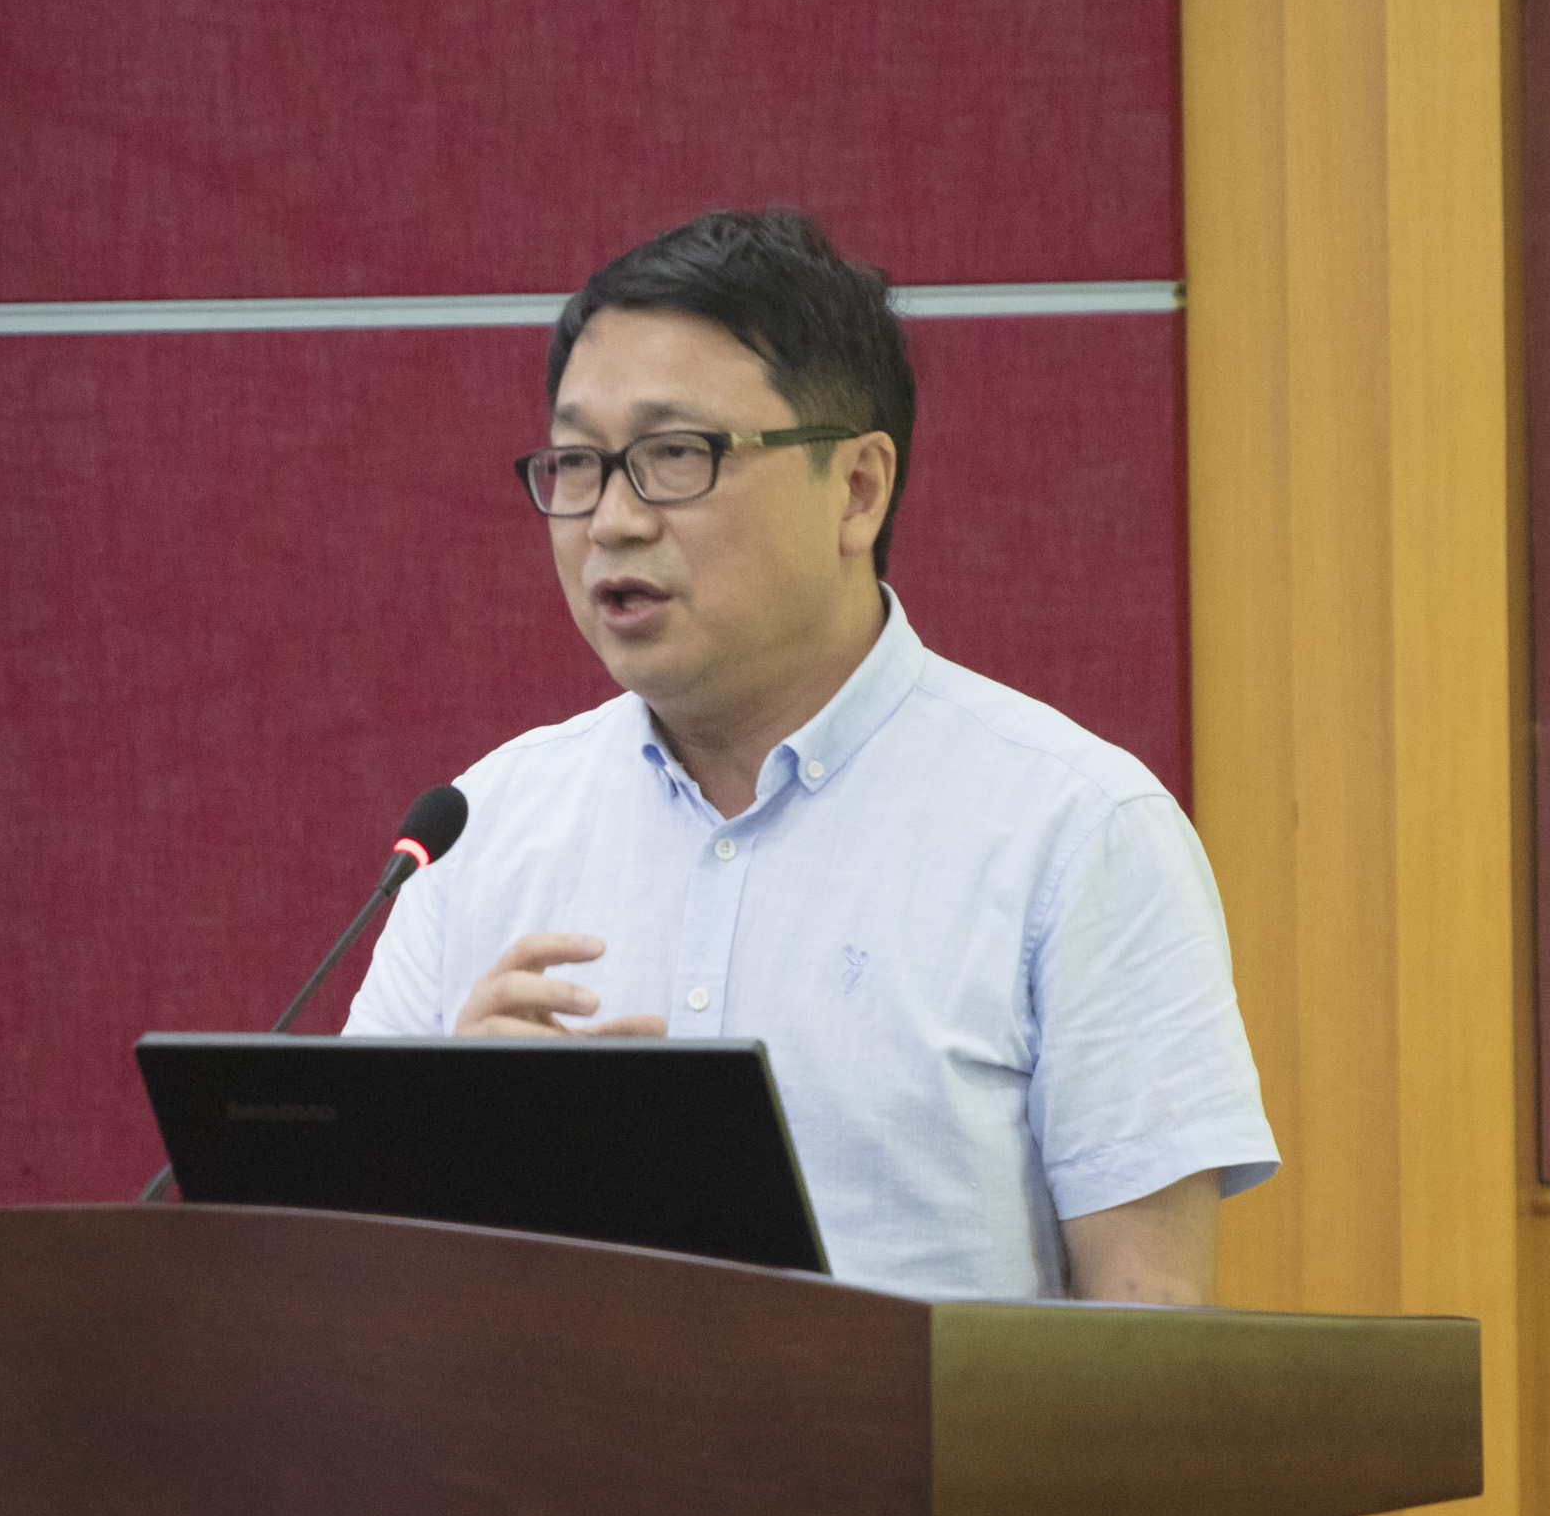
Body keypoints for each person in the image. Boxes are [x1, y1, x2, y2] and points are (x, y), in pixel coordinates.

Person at [342, 209, 1277, 1304]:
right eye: (580, 463)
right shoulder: (479, 829)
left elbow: (1148, 1337)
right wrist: (451, 1147)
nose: (612, 521)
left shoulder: (1076, 833)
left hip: (919, 1428)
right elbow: (349, 1291)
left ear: (857, 489)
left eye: (674, 456)